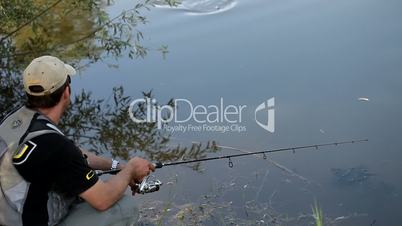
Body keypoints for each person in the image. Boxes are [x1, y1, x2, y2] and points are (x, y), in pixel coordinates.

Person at [0, 56, 155, 226]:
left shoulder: (14, 120)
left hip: (9, 214)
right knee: (122, 206)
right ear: (66, 91)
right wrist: (132, 168)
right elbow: (103, 198)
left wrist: (118, 168)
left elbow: (72, 154)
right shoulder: (56, 146)